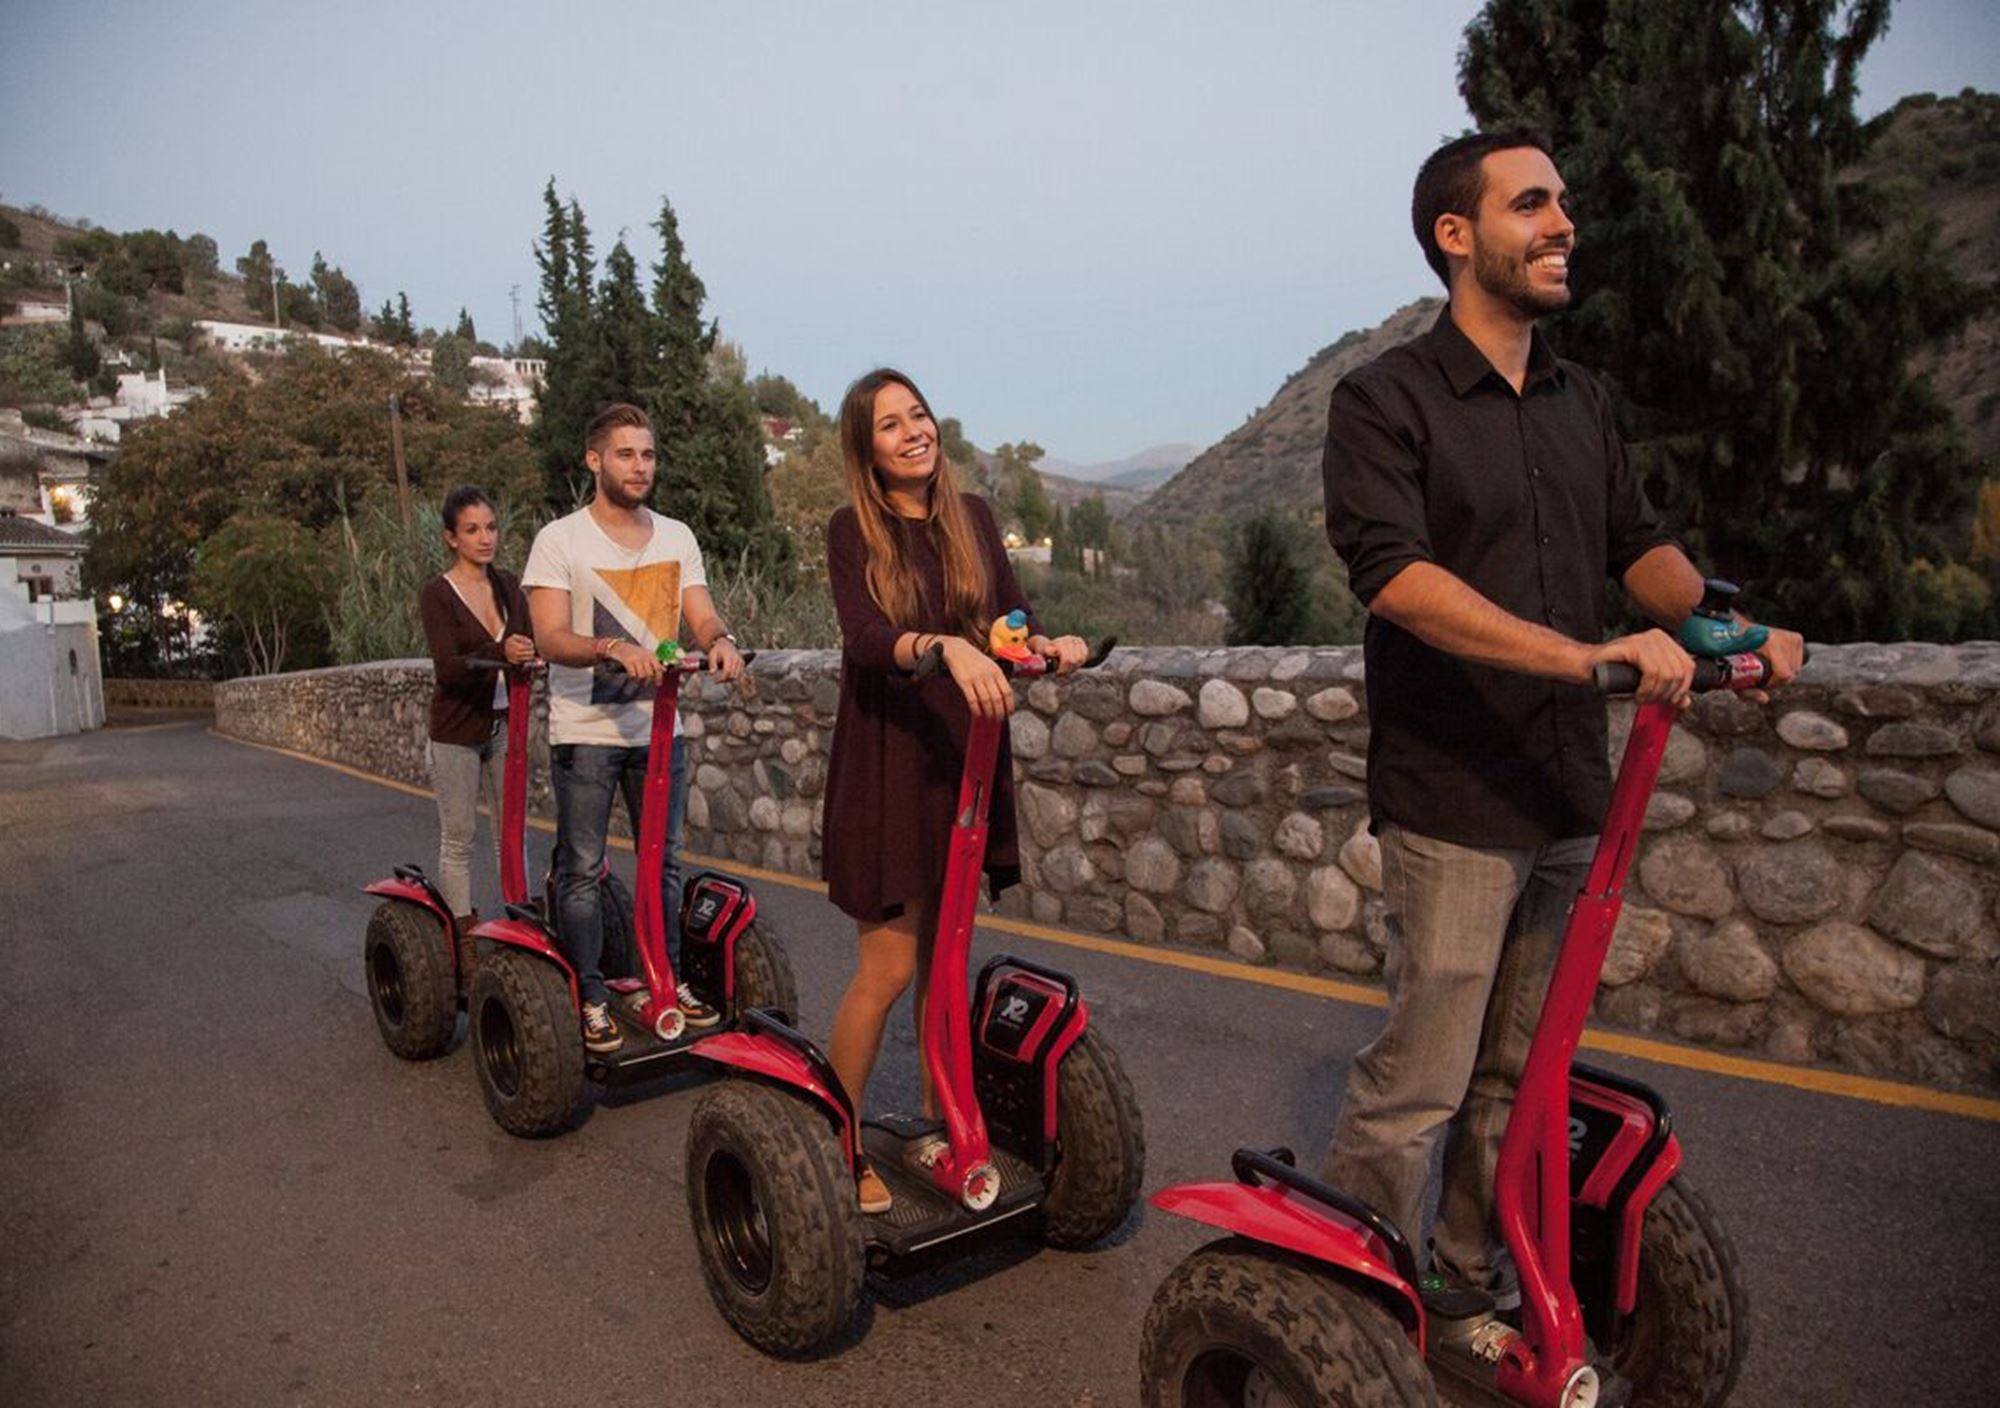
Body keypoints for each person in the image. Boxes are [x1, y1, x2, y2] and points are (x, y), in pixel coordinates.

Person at [1317, 127, 1804, 1308]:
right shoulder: (1383, 399)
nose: (1560, 223)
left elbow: (1632, 545)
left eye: (1562, 203)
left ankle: (1464, 1277)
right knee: (1423, 1073)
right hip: (1453, 794)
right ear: (1455, 234)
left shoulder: (1581, 398)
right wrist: (1583, 657)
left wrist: (1724, 627)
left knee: (1519, 1071)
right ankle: (1345, 1301)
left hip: (1568, 791)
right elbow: (1395, 577)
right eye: (1530, 203)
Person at [821, 368, 1086, 1214]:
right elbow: (865, 639)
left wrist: (1046, 644)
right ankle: (835, 1138)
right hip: (891, 763)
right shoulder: (849, 529)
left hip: (962, 758)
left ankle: (944, 1124)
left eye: (920, 414)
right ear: (867, 450)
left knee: (949, 957)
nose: (913, 432)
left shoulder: (971, 518)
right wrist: (941, 647)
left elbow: (1007, 615)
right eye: (891, 424)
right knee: (890, 964)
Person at [522, 402, 745, 1055]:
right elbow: (551, 636)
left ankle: (663, 981)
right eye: (625, 454)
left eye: (647, 454)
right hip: (587, 731)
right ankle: (589, 995)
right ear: (595, 460)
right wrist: (611, 648)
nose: (639, 466)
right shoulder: (560, 540)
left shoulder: (676, 537)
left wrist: (722, 640)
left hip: (659, 731)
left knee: (664, 862)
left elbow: (698, 613)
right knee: (584, 867)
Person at [418, 485, 536, 961]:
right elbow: (449, 667)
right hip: (456, 731)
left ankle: (520, 927)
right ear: (451, 538)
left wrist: (529, 652)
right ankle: (462, 944)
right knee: (460, 836)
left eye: (490, 527)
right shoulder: (438, 594)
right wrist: (500, 652)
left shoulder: (508, 585)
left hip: (506, 724)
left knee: (511, 833)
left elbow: (525, 642)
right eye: (472, 530)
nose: (484, 538)